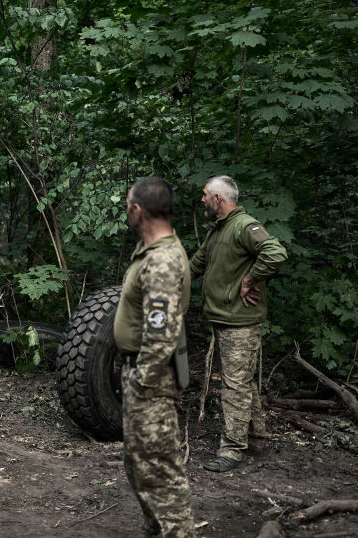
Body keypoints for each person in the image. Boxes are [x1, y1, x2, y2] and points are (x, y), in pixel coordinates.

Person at [114, 177, 196, 537]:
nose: (126, 212)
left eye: (128, 206)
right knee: (141, 468)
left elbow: (161, 336)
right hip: (144, 378)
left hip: (151, 381)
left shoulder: (162, 260)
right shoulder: (155, 253)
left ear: (138, 210)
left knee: (161, 476)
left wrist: (141, 381)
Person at [190, 175, 287, 472]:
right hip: (224, 317)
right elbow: (196, 264)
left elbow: (276, 253)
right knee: (242, 382)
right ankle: (256, 439)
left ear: (218, 198)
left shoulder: (245, 226)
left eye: (206, 195)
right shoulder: (218, 231)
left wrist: (250, 278)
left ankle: (232, 450)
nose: (202, 199)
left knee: (233, 387)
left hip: (240, 321)